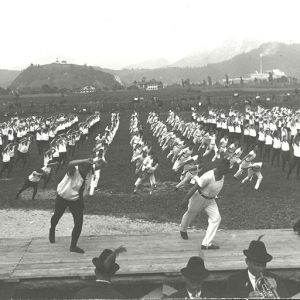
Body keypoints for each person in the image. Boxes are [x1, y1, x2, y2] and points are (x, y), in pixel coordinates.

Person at [49, 158, 101, 254]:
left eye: (89, 169)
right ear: (80, 166)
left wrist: (99, 160)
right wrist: (84, 160)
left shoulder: (89, 170)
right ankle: (52, 229)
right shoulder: (74, 170)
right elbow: (70, 163)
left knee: (79, 222)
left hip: (76, 200)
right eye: (85, 169)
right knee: (57, 215)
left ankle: (73, 246)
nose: (87, 172)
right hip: (63, 198)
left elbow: (103, 165)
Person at [179, 158, 230, 250]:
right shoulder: (208, 176)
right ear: (218, 167)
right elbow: (195, 187)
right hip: (199, 197)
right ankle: (183, 230)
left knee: (216, 218)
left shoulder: (222, 175)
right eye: (224, 169)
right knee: (190, 214)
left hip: (210, 201)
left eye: (227, 168)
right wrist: (185, 199)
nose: (226, 171)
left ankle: (206, 244)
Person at [225, 236, 289, 298]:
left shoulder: (275, 278)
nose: (261, 269)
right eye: (257, 265)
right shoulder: (235, 279)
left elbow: (287, 297)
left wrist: (276, 290)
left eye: (264, 265)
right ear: (247, 262)